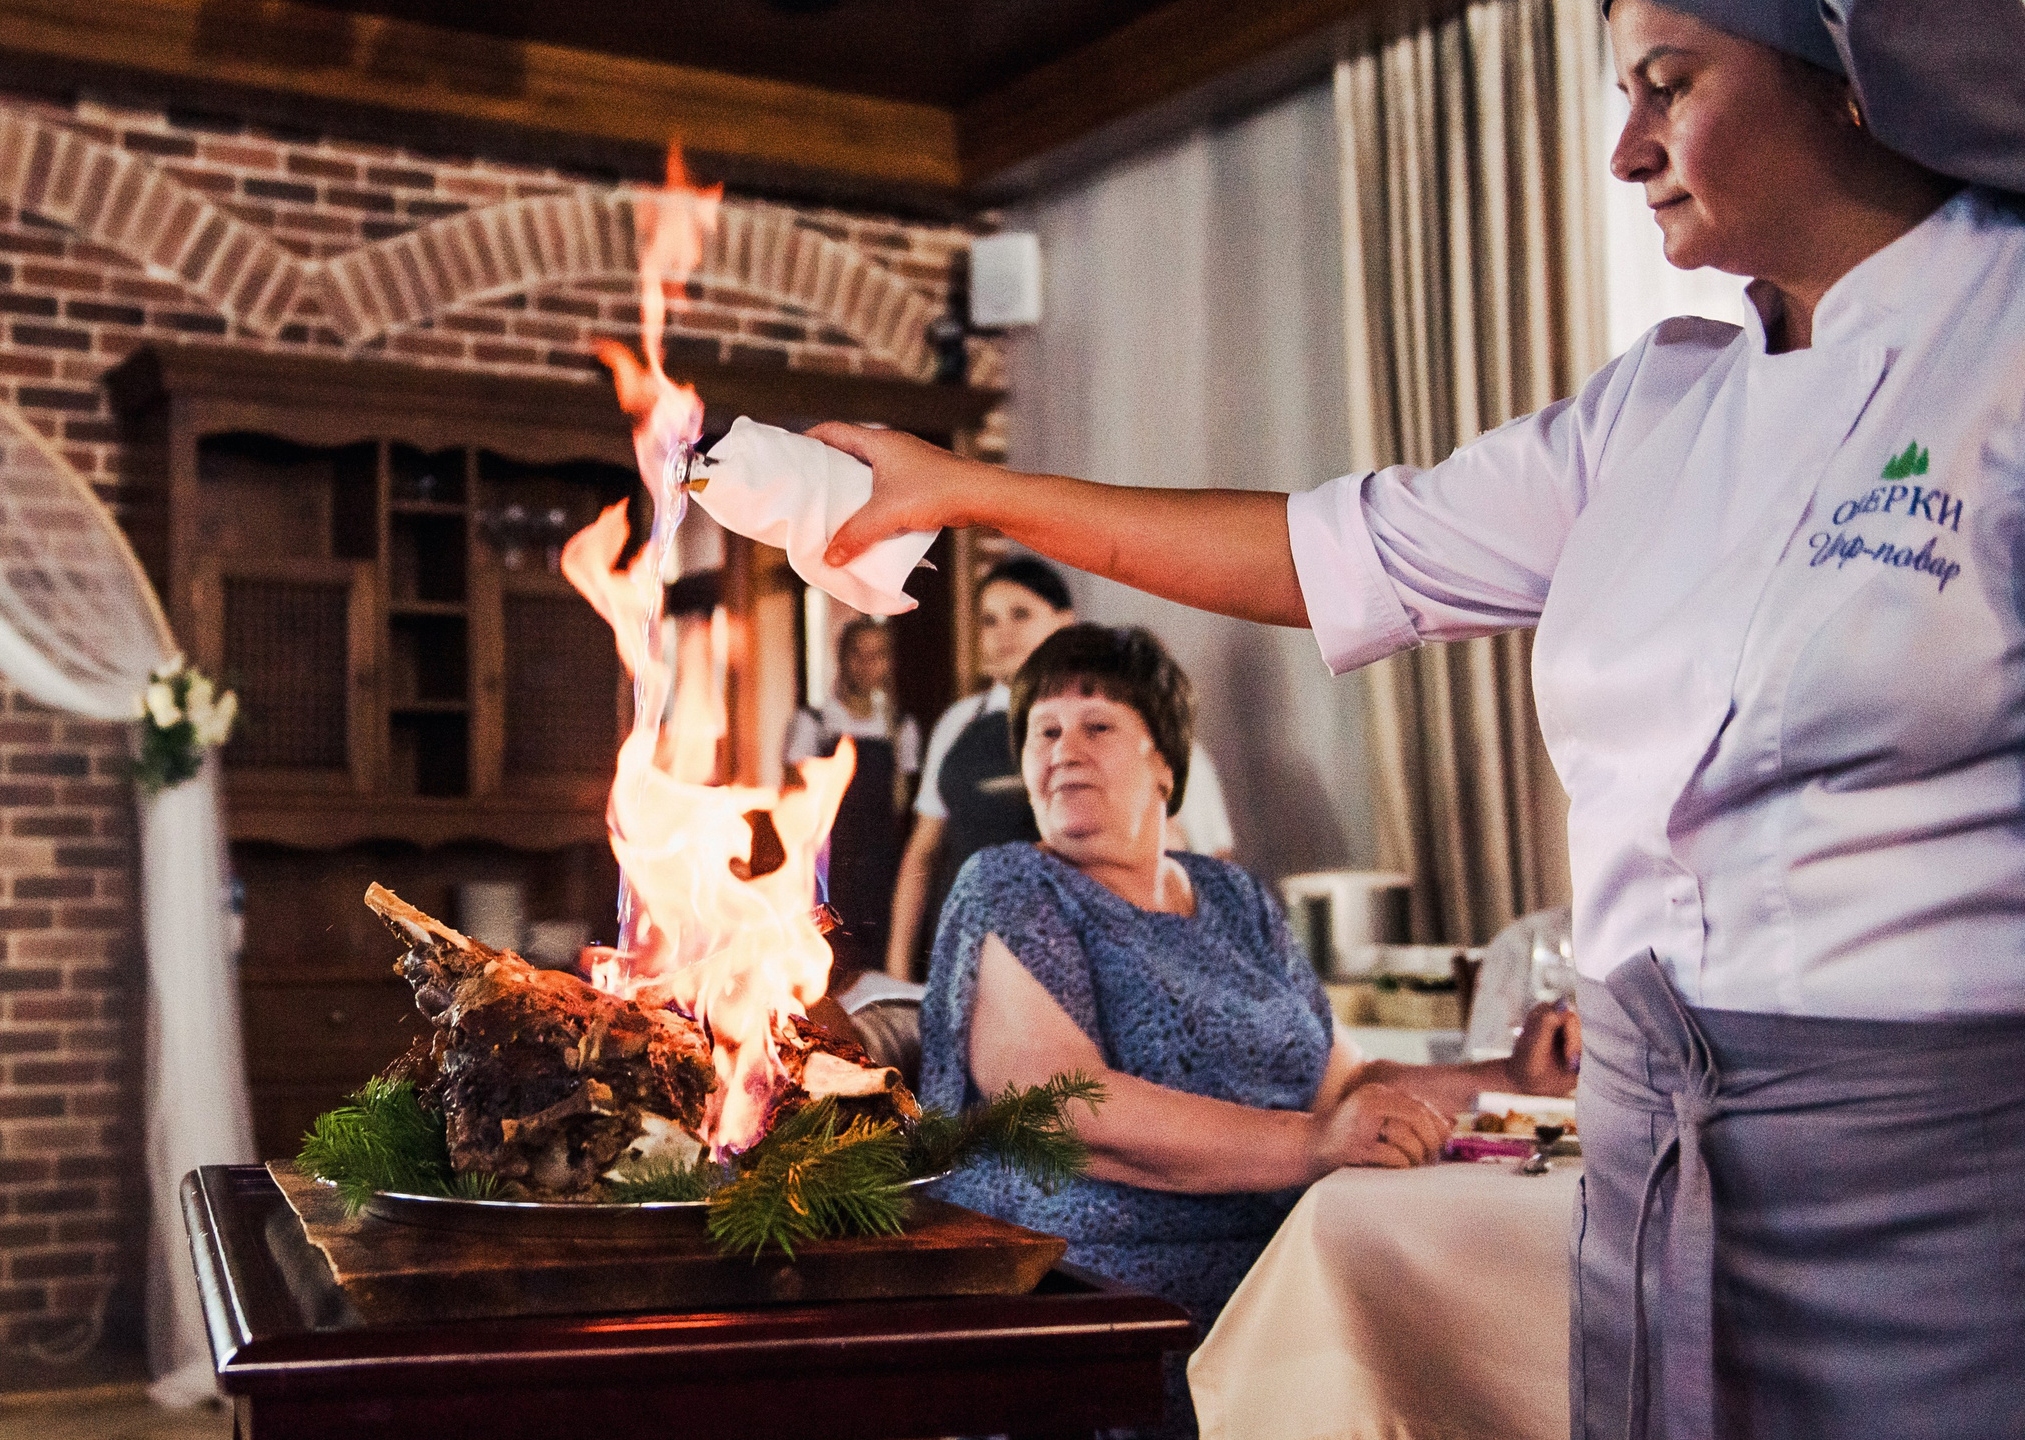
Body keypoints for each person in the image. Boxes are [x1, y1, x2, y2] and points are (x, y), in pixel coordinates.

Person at [820, 4, 2025, 1434]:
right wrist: (972, 491)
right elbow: (1335, 553)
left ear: (1852, 83)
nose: (1629, 147)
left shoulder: (2001, 347)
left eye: (1670, 87)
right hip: (1653, 1158)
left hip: (1938, 1159)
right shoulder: (1660, 408)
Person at [920, 625, 1576, 1440]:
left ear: (1166, 763)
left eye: (1097, 725)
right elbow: (1061, 1108)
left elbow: (1344, 1085)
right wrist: (1311, 1144)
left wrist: (1512, 1078)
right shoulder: (1012, 883)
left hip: (1285, 1244)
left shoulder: (1236, 899)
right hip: (1098, 1290)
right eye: (1043, 731)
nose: (1063, 749)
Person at [884, 556, 1078, 981]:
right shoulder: (959, 723)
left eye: (1020, 614)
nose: (1002, 633)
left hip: (1060, 967)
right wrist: (898, 973)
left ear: (1065, 622)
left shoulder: (1094, 721)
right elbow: (924, 849)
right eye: (989, 620)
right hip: (961, 960)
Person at [785, 618, 921, 966]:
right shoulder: (813, 723)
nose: (867, 664)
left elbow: (902, 802)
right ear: (842, 658)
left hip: (880, 868)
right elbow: (792, 805)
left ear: (889, 662)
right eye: (858, 654)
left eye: (877, 655)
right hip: (829, 865)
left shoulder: (900, 728)